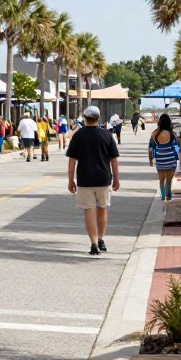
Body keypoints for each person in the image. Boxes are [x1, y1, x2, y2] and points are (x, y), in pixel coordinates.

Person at [66, 105, 121, 256]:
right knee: (102, 210)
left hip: (84, 179)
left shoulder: (78, 135)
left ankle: (93, 243)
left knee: (89, 211)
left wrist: (71, 180)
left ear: (85, 118)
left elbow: (72, 161)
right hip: (103, 178)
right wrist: (116, 178)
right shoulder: (107, 135)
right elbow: (113, 160)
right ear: (98, 117)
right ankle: (101, 238)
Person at [148, 113, 181, 201]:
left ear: (159, 122)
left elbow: (150, 149)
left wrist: (150, 160)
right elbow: (178, 147)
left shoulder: (154, 134)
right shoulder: (173, 134)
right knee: (169, 180)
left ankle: (163, 195)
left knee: (161, 180)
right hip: (171, 160)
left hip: (160, 160)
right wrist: (180, 159)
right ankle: (169, 196)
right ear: (169, 123)